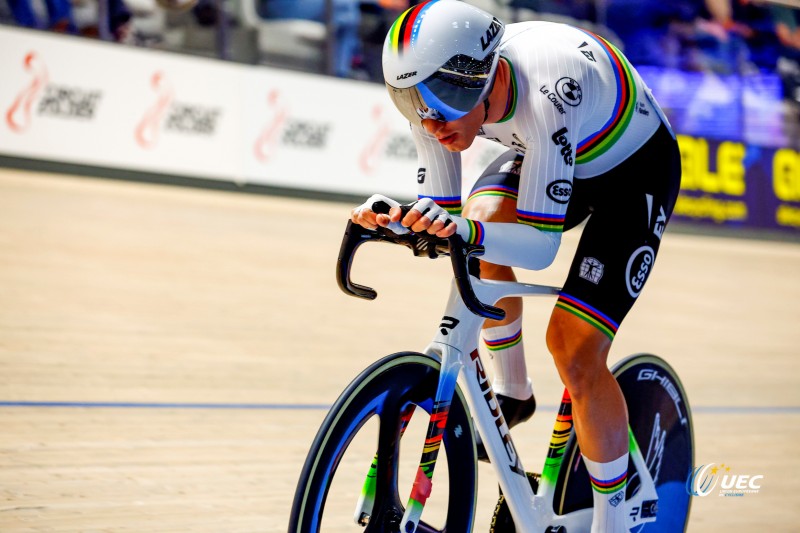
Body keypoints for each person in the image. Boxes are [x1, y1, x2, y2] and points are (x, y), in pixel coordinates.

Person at [350, 1, 681, 531]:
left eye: (439, 102)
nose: (428, 121)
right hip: (554, 149)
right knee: (479, 222)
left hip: (632, 171)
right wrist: (400, 221)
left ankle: (614, 521)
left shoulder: (548, 88)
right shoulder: (435, 106)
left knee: (574, 349)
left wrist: (463, 231)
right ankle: (514, 391)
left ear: (480, 80)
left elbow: (537, 247)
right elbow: (446, 216)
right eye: (410, 102)